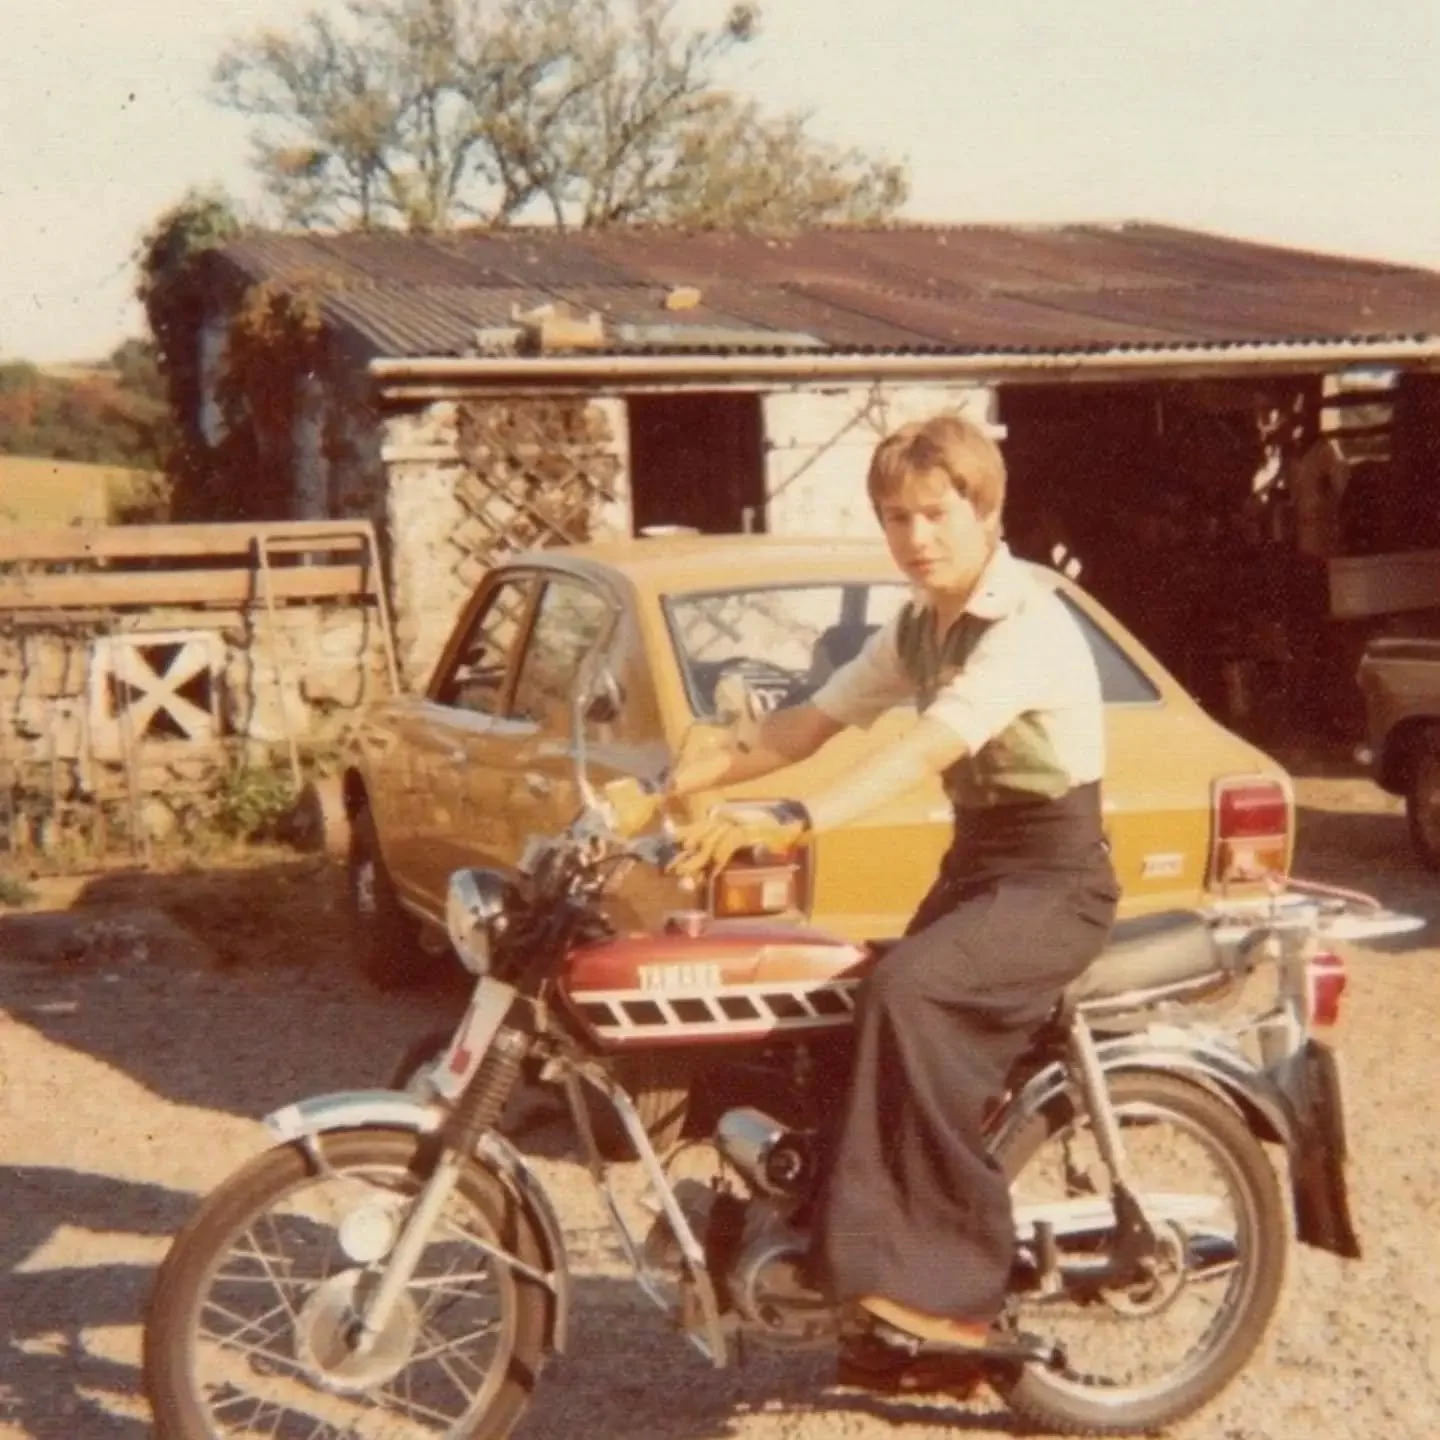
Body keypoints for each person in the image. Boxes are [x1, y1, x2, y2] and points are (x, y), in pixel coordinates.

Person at [609, 412, 1119, 1388]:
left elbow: (922, 749)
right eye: (895, 517)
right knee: (834, 1008)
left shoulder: (1027, 624)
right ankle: (855, 1283)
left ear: (985, 511)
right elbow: (808, 721)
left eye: (935, 514)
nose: (915, 537)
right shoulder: (919, 626)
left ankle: (945, 1295)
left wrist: (794, 820)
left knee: (909, 996)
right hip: (981, 868)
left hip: (1055, 879)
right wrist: (675, 788)